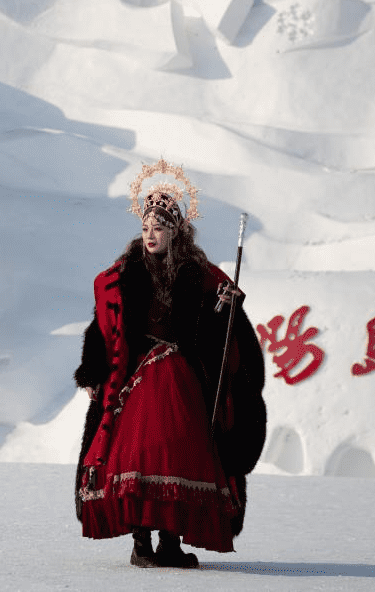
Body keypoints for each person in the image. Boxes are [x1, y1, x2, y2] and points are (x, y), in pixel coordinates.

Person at [73, 159, 266, 568]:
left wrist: (227, 307)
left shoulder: (199, 274)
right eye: (146, 228)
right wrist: (91, 370)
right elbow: (102, 326)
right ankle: (141, 542)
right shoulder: (123, 275)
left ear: (175, 231)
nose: (150, 235)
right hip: (137, 377)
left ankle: (170, 543)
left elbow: (216, 328)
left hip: (182, 375)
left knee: (182, 454)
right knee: (139, 454)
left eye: (158, 228)